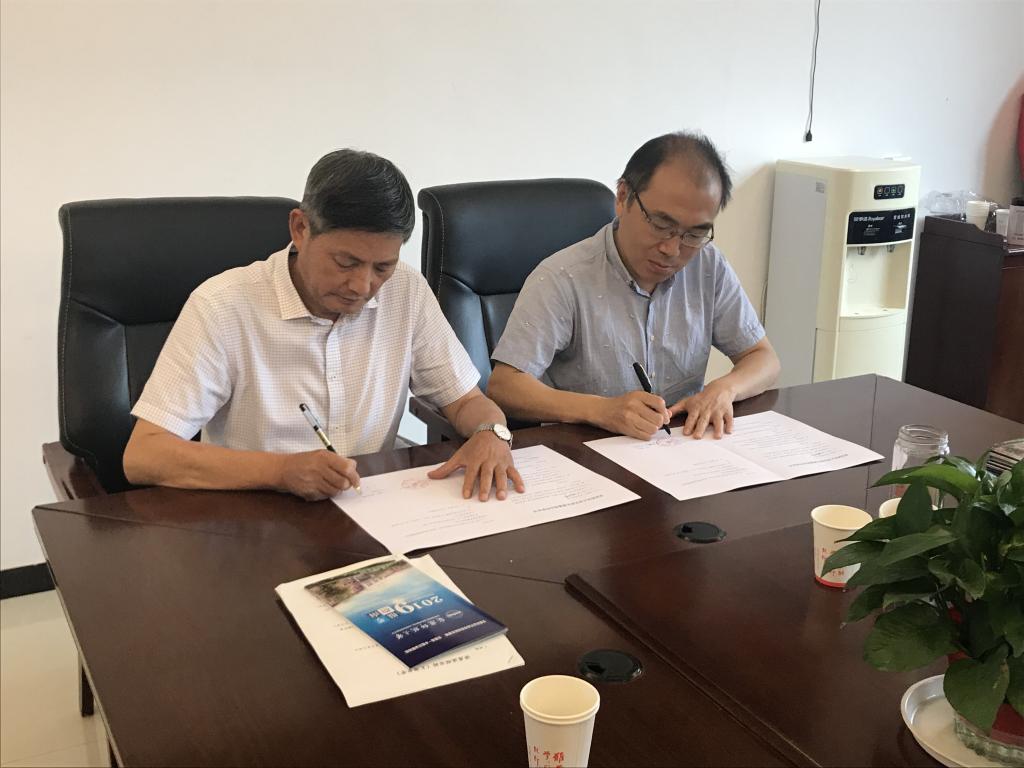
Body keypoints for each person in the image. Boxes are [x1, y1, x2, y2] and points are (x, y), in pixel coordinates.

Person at [124, 149, 523, 502]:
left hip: (372, 507)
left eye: (382, 267)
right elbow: (145, 454)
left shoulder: (405, 291)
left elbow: (465, 401)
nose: (362, 286)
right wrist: (281, 472)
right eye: (346, 262)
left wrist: (491, 432)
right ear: (300, 229)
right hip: (252, 515)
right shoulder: (223, 306)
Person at [488, 131, 780, 441]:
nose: (672, 249)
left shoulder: (708, 266)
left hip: (680, 446)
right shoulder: (563, 277)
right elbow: (505, 386)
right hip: (587, 450)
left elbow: (763, 358)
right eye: (661, 225)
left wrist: (724, 389)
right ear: (623, 196)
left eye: (694, 234)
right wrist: (601, 410)